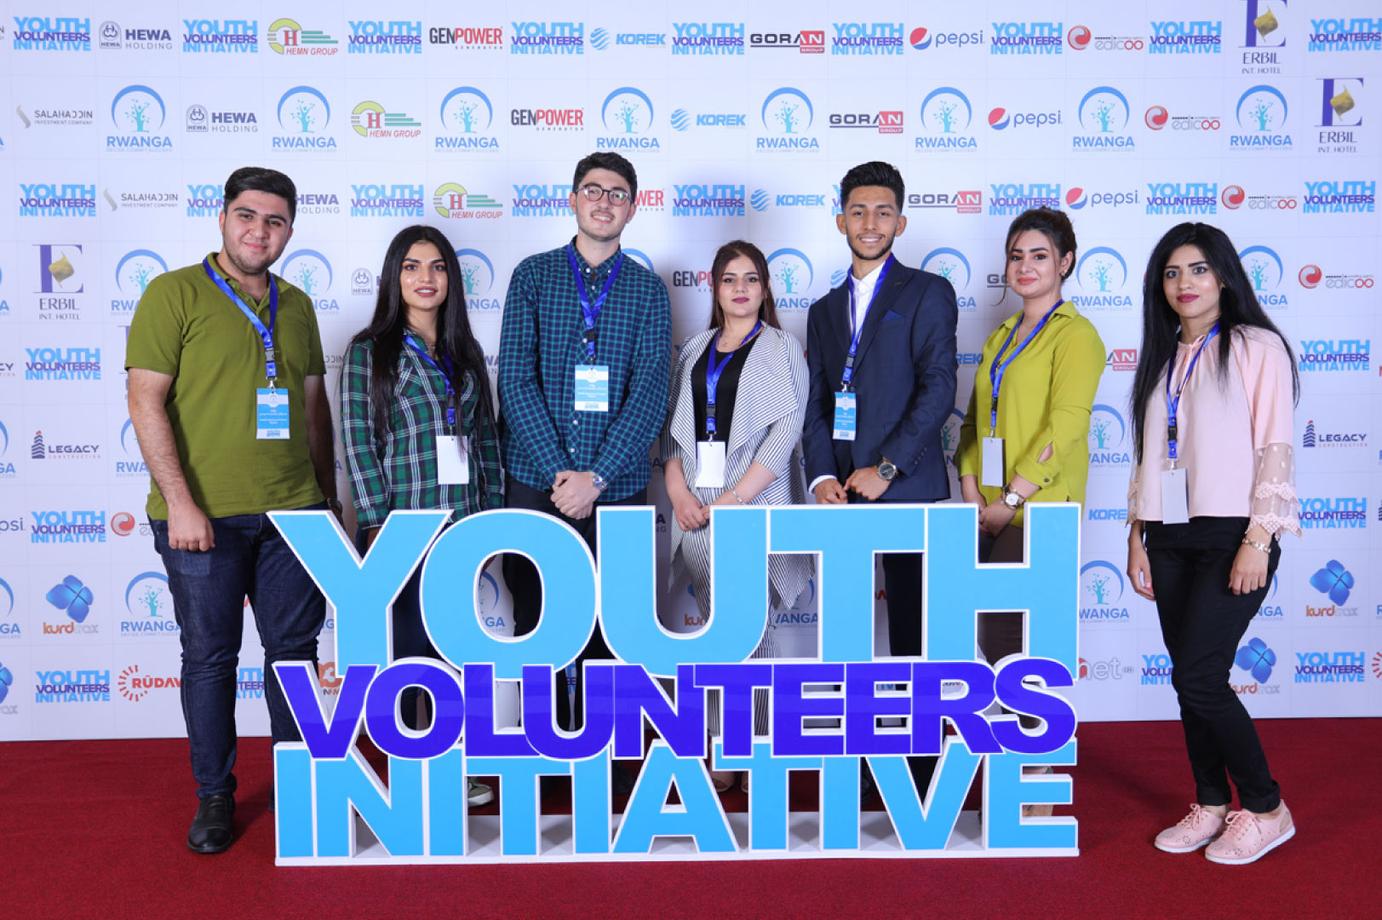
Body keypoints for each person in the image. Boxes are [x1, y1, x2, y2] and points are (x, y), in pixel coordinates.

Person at [126, 166, 336, 853]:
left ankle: (301, 781)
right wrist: (180, 503)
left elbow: (313, 409)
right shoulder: (173, 293)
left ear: (290, 231)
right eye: (247, 216)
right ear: (222, 218)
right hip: (202, 518)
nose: (259, 231)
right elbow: (145, 401)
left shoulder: (297, 305)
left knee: (294, 655)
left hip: (294, 513)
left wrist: (327, 501)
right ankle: (215, 795)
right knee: (211, 657)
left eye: (275, 221)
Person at [1125, 222, 1300, 865]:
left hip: (1233, 531)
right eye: (1172, 273)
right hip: (1168, 534)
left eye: (1198, 269)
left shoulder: (1256, 346)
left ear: (1223, 276)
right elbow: (1148, 455)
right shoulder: (1163, 356)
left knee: (1201, 676)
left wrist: (1259, 538)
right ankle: (1211, 802)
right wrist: (1138, 536)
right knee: (1188, 678)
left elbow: (1275, 444)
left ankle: (1267, 808)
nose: (1185, 283)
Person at [498, 151, 671, 738]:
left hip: (616, 489)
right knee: (536, 623)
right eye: (593, 190)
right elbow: (515, 380)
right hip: (535, 482)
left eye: (618, 193)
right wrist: (560, 474)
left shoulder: (648, 291)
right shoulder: (533, 275)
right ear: (573, 200)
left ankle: (606, 756)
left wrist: (595, 478)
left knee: (610, 629)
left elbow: (649, 395)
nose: (604, 202)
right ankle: (546, 755)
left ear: (633, 207)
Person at [801, 161, 958, 794]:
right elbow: (814, 402)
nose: (870, 223)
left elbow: (939, 388)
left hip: (905, 488)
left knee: (914, 632)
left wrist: (887, 467)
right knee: (847, 633)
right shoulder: (822, 311)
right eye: (858, 211)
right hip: (840, 495)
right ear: (840, 220)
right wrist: (820, 476)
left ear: (901, 221)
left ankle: (919, 768)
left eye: (883, 212)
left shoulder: (927, 292)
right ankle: (860, 761)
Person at [339, 225, 501, 808]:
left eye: (437, 267)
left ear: (451, 278)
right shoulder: (370, 351)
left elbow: (485, 441)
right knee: (411, 653)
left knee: (456, 651)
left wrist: (492, 519)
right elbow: (357, 440)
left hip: (463, 525)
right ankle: (417, 771)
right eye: (411, 267)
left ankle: (454, 766)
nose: (425, 278)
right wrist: (379, 524)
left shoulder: (465, 351)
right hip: (404, 527)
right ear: (394, 276)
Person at [661, 240, 811, 791]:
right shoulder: (694, 349)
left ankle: (756, 749)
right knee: (717, 633)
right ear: (715, 287)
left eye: (751, 278)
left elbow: (786, 431)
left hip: (752, 504)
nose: (740, 288)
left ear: (765, 288)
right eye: (729, 279)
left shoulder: (781, 346)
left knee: (753, 630)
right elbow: (671, 435)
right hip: (697, 510)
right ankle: (727, 740)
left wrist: (736, 500)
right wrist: (679, 495)